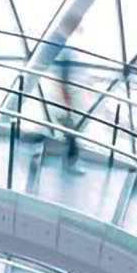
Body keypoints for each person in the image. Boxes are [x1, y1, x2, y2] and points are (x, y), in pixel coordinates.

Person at [51, 14, 83, 173]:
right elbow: (63, 79)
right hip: (62, 102)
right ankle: (70, 165)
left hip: (59, 100)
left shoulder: (60, 45)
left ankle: (68, 164)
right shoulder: (66, 49)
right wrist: (68, 103)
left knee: (70, 135)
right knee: (71, 136)